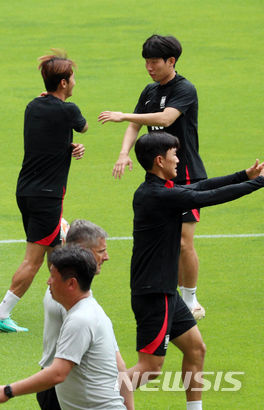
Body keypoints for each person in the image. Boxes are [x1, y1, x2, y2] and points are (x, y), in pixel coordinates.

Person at [124, 132, 264, 410]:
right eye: (174, 154)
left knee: (195, 349)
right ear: (160, 160)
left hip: (165, 291)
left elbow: (201, 186)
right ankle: (90, 399)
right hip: (154, 294)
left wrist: (243, 175)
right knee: (150, 368)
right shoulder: (157, 195)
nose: (179, 159)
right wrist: (259, 183)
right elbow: (210, 195)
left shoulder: (159, 189)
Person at [98, 35, 207, 320]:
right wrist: (124, 153)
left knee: (183, 241)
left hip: (184, 175)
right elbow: (137, 123)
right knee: (163, 238)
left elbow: (165, 119)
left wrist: (123, 115)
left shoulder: (185, 89)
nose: (149, 67)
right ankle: (169, 294)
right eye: (146, 61)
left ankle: (190, 300)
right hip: (158, 177)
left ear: (171, 61)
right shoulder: (149, 90)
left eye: (154, 61)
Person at [0, 51, 87, 333]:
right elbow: (83, 126)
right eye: (72, 78)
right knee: (34, 259)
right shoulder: (69, 110)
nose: (75, 82)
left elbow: (46, 138)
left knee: (59, 253)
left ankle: (72, 309)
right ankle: (1, 313)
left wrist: (68, 148)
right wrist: (73, 142)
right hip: (47, 195)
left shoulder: (33, 106)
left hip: (27, 190)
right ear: (65, 83)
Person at [0, 245, 125, 409]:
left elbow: (57, 373)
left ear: (71, 283)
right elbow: (120, 366)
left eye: (53, 276)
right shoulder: (92, 311)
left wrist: (7, 391)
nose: (48, 281)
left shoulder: (80, 320)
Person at [37, 220, 133, 410]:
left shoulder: (73, 295)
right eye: (100, 251)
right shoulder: (68, 302)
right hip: (65, 386)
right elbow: (116, 362)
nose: (106, 257)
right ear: (82, 252)